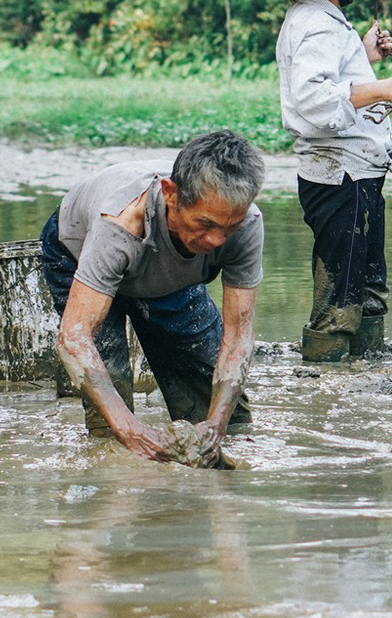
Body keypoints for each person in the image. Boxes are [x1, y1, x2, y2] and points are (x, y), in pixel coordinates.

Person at [41, 130, 267, 465]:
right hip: (78, 250)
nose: (217, 241)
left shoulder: (246, 225)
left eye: (228, 228)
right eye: (205, 224)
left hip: (170, 269)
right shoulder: (119, 223)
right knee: (112, 418)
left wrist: (216, 427)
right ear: (170, 194)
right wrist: (131, 431)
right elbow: (74, 338)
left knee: (227, 418)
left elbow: (237, 339)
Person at [261, 0, 392, 362]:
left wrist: (364, 55)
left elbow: (333, 79)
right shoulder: (315, 23)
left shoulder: (323, 20)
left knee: (367, 287)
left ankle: (365, 371)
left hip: (357, 174)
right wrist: (385, 88)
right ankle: (325, 380)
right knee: (340, 297)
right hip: (340, 178)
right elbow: (314, 99)